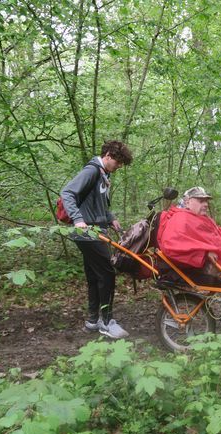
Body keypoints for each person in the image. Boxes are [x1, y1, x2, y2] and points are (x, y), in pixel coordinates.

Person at [157, 186, 221, 340]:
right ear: (188, 201)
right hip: (194, 266)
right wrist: (203, 253)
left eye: (206, 201)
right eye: (201, 200)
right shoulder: (181, 219)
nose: (205, 204)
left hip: (217, 260)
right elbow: (172, 246)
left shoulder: (204, 219)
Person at [60, 140, 133, 339]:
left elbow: (98, 204)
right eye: (118, 162)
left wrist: (111, 219)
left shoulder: (103, 174)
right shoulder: (92, 171)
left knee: (94, 275)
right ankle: (107, 322)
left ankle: (93, 320)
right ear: (108, 155)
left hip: (96, 228)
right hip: (88, 232)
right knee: (107, 274)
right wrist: (78, 219)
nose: (119, 166)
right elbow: (67, 193)